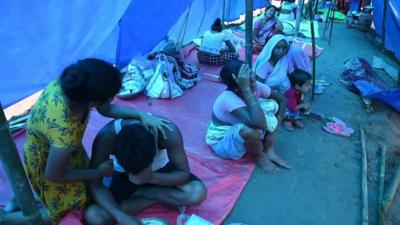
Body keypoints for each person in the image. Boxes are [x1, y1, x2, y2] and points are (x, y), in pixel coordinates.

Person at [23, 58, 170, 224]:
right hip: (50, 163)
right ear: (93, 101)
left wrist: (140, 114)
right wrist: (98, 173)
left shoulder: (72, 86)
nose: (112, 100)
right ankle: (10, 219)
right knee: (69, 210)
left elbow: (105, 108)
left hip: (62, 151)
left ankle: (23, 203)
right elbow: (54, 174)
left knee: (89, 196)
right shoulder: (64, 130)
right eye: (111, 97)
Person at [86, 120, 207, 225]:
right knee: (95, 216)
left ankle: (147, 194)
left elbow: (184, 174)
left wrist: (151, 177)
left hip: (159, 173)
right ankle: (153, 196)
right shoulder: (106, 137)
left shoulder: (167, 132)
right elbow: (95, 184)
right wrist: (121, 216)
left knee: (197, 193)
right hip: (124, 178)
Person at [205, 60, 290, 173]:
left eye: (251, 72)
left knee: (272, 105)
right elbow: (261, 124)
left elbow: (282, 100)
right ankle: (258, 155)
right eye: (248, 77)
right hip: (222, 142)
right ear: (239, 83)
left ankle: (268, 147)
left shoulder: (253, 84)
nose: (254, 77)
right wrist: (246, 89)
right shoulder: (228, 99)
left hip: (242, 125)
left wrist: (275, 131)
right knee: (251, 130)